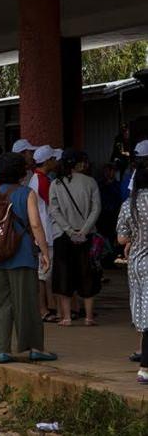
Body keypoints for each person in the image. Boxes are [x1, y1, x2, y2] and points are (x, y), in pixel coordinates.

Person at [0, 152, 56, 364]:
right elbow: (35, 224)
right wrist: (44, 251)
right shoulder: (27, 193)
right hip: (21, 255)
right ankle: (33, 348)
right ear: (22, 173)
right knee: (27, 303)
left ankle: (1, 349)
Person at [49, 149, 102, 326]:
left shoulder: (56, 183)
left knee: (64, 275)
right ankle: (88, 317)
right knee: (88, 274)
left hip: (63, 236)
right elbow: (96, 208)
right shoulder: (91, 182)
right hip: (87, 236)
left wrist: (69, 230)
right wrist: (84, 230)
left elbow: (54, 210)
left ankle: (66, 317)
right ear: (79, 164)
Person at [116, 163, 148, 383]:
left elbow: (121, 238)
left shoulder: (129, 204)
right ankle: (145, 367)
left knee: (143, 314)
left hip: (137, 262)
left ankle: (144, 367)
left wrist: (135, 240)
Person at [29, 145, 61, 322]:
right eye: (54, 159)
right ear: (48, 161)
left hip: (44, 231)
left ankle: (47, 307)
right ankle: (45, 309)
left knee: (44, 274)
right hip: (46, 233)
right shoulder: (43, 181)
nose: (56, 162)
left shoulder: (37, 178)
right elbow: (53, 205)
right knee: (44, 274)